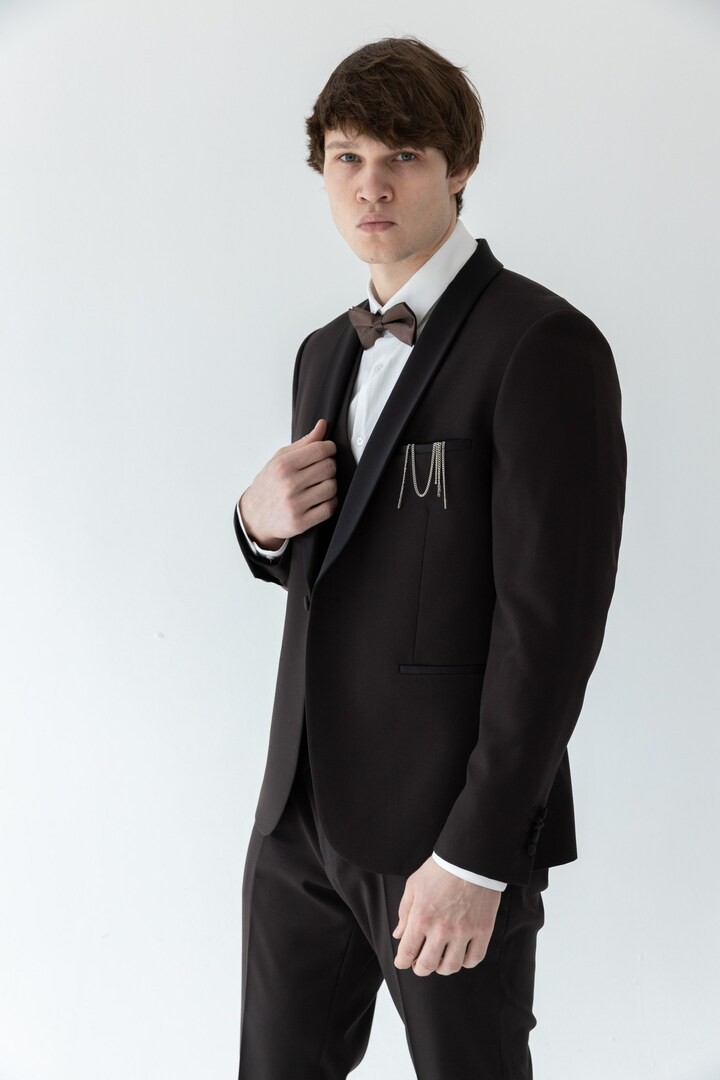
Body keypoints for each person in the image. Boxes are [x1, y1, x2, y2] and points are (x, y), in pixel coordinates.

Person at [233, 36, 626, 1080]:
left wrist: (477, 854)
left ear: (460, 168)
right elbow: (348, 564)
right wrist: (257, 526)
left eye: (402, 156)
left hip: (445, 832)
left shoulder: (543, 345)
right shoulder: (324, 351)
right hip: (298, 823)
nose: (371, 186)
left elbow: (551, 631)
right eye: (347, 157)